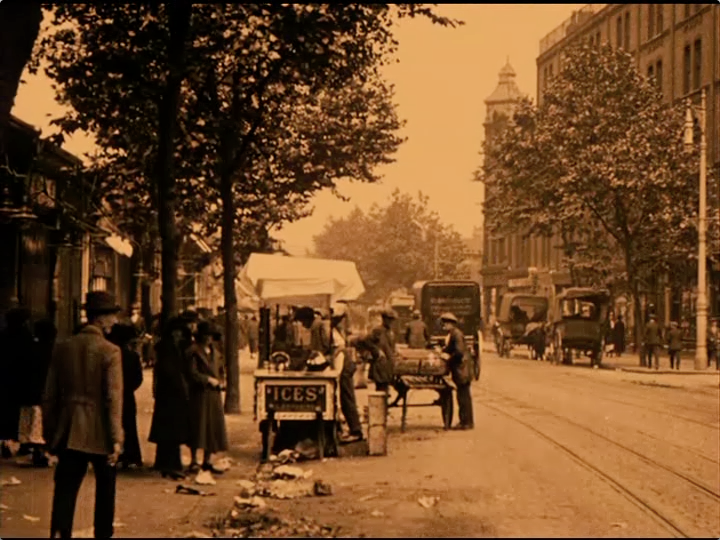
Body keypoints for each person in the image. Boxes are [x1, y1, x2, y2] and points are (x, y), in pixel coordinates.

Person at [43, 291, 124, 539]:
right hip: (100, 430)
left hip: (68, 431)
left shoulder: (63, 347)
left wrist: (51, 434)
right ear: (100, 319)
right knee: (106, 488)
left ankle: (59, 533)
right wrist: (116, 438)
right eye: (111, 316)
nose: (114, 322)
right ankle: (103, 534)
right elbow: (113, 399)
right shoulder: (110, 351)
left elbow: (49, 395)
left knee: (65, 488)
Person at [149, 317, 191, 480]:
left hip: (168, 393)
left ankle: (164, 460)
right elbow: (168, 370)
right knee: (173, 429)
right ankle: (172, 463)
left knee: (167, 428)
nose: (178, 335)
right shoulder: (169, 348)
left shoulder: (171, 347)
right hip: (171, 393)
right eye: (176, 332)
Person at [187, 321, 228, 474]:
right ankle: (193, 460)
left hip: (214, 395)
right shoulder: (193, 352)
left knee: (212, 427)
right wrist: (207, 380)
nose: (209, 339)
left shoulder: (216, 353)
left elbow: (221, 370)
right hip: (200, 394)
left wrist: (222, 382)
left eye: (211, 337)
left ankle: (207, 460)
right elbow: (191, 373)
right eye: (206, 336)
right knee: (198, 427)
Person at [16, 318, 57, 467]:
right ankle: (41, 452)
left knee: (30, 424)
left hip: (28, 392)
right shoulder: (53, 350)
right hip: (43, 393)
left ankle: (30, 448)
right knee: (39, 425)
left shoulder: (31, 348)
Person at [108, 323, 144, 469]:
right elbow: (138, 378)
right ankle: (132, 456)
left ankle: (114, 455)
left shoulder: (110, 354)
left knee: (112, 424)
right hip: (128, 396)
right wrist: (129, 388)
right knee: (130, 426)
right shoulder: (132, 356)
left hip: (111, 395)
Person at [0, 307, 35, 457]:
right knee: (18, 413)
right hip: (21, 381)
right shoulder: (26, 337)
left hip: (5, 379)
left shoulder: (3, 336)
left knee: (5, 411)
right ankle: (18, 441)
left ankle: (5, 441)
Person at [331, 313, 363, 444]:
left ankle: (356, 431)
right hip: (343, 363)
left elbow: (339, 347)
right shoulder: (335, 331)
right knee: (345, 399)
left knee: (347, 398)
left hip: (344, 364)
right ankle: (352, 429)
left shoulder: (333, 333)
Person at [439, 312, 474, 430]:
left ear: (451, 324)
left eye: (445, 323)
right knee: (464, 396)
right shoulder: (454, 334)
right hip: (462, 370)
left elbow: (458, 352)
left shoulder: (456, 334)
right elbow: (451, 348)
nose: (444, 325)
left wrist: (449, 358)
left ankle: (465, 423)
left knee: (463, 397)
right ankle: (467, 422)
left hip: (461, 370)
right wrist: (444, 350)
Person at [354, 308, 396, 393]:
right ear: (384, 319)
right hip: (380, 363)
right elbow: (366, 340)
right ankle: (379, 404)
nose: (391, 322)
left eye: (392, 320)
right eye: (389, 319)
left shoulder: (390, 331)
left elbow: (391, 345)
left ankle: (383, 403)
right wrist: (377, 351)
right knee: (381, 386)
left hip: (388, 362)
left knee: (386, 386)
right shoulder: (378, 330)